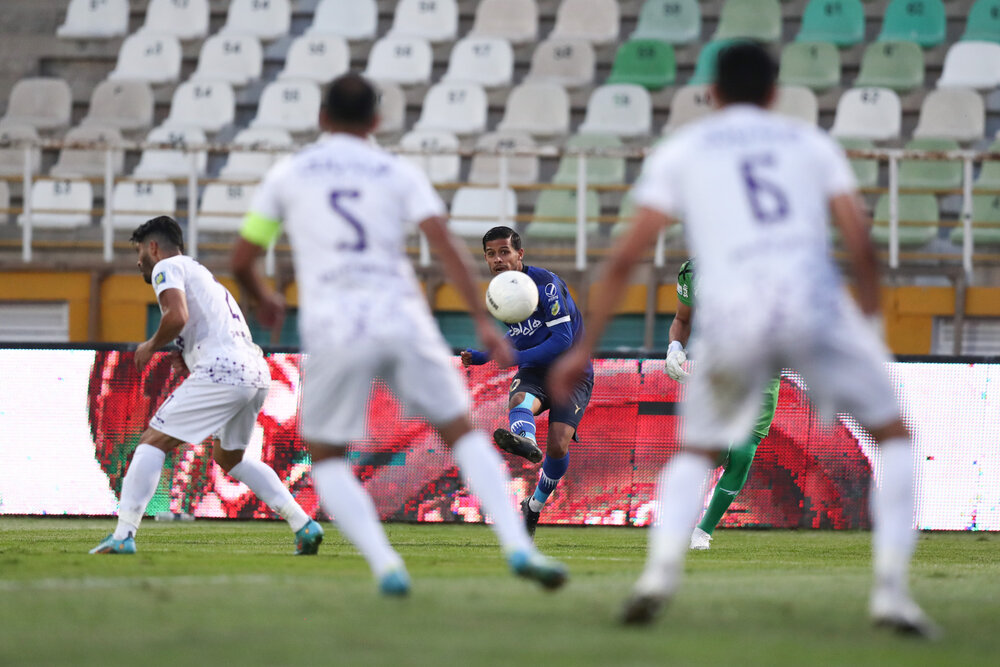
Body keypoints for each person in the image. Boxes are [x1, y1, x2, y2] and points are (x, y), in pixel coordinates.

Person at [549, 43, 938, 637]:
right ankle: (890, 593)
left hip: (735, 315)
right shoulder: (809, 145)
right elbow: (860, 245)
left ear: (715, 93)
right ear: (775, 92)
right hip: (813, 303)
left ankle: (658, 577)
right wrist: (867, 331)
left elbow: (627, 255)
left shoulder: (685, 150)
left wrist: (583, 347)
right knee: (894, 436)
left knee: (696, 449)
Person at [230, 73, 567, 596]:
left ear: (322, 118)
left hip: (336, 325)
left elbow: (243, 258)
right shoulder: (396, 171)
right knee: (461, 432)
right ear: (376, 121)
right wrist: (482, 321)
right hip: (402, 316)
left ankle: (387, 564)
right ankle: (519, 547)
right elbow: (447, 245)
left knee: (326, 458)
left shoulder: (289, 174)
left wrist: (265, 296)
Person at [90, 216, 324, 555]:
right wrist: (185, 355)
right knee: (231, 458)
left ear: (154, 248)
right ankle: (304, 524)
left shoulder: (166, 267)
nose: (139, 260)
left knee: (152, 441)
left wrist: (151, 344)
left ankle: (124, 535)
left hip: (225, 370)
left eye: (141, 251)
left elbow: (177, 317)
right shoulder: (206, 278)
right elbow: (201, 328)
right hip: (256, 370)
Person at [461, 226, 593, 537]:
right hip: (535, 368)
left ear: (520, 254)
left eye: (504, 252)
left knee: (558, 446)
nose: (498, 259)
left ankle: (533, 505)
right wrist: (484, 356)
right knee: (520, 401)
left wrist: (511, 359)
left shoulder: (545, 285)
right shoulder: (501, 292)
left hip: (571, 370)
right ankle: (528, 443)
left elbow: (562, 340)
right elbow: (520, 335)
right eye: (491, 254)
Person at [667, 258, 781, 550]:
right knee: (714, 453)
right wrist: (675, 347)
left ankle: (702, 532)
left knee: (742, 451)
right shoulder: (692, 271)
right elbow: (683, 319)